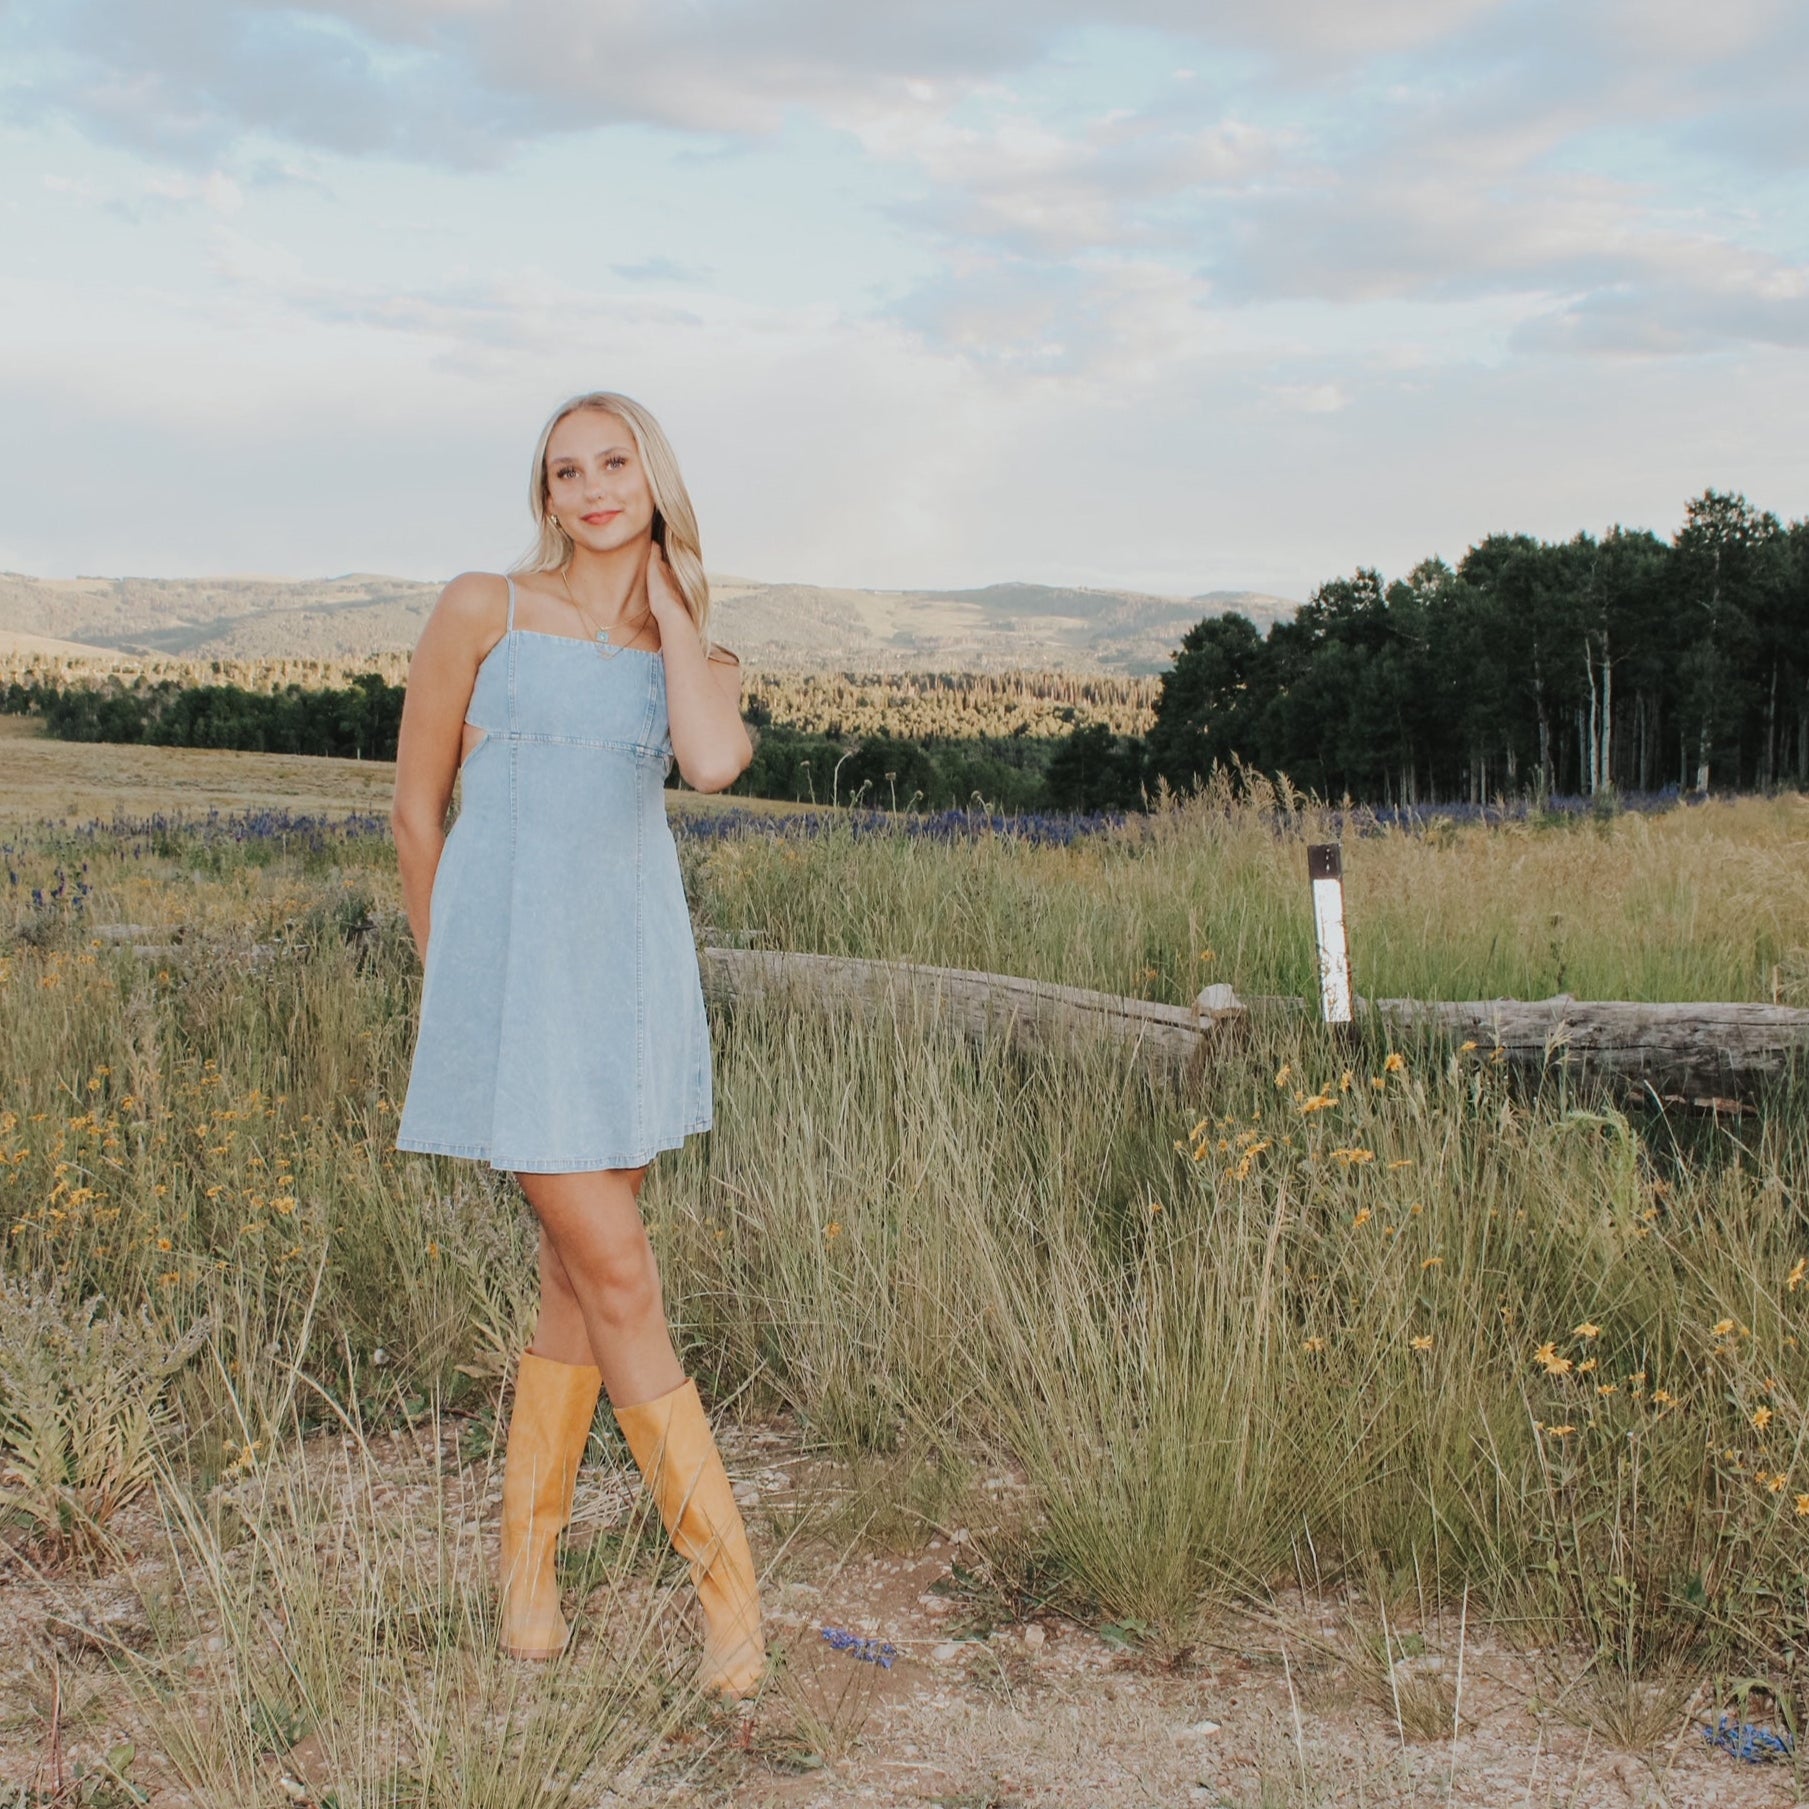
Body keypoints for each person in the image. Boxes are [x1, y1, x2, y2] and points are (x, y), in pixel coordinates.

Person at [389, 390, 764, 1699]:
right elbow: (413, 814)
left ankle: (527, 1573)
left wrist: (667, 608)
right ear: (541, 496)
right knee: (623, 1280)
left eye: (617, 464)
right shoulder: (478, 609)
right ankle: (730, 1595)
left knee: (570, 1283)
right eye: (567, 471)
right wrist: (460, 994)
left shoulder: (691, 653)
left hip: (627, 989)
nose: (593, 487)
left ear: (652, 478)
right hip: (508, 998)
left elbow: (711, 765)